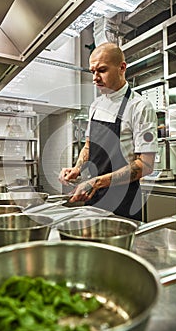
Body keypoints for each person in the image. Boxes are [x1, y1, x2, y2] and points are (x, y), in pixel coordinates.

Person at [59, 42, 158, 220]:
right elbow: (89, 146)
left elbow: (146, 166)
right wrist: (77, 168)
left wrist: (96, 182)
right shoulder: (96, 106)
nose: (95, 78)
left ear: (122, 68)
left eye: (102, 70)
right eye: (92, 71)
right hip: (94, 197)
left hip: (124, 203)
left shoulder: (140, 107)